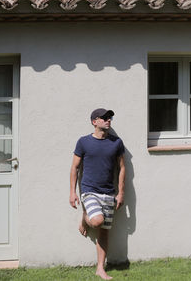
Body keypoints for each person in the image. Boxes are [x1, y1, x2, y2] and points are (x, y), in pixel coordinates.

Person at [69, 108, 126, 280]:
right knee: (97, 221)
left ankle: (100, 269)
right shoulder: (83, 142)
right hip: (89, 190)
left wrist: (121, 192)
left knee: (104, 232)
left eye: (110, 118)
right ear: (94, 121)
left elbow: (122, 168)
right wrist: (72, 192)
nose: (108, 120)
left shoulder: (116, 143)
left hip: (109, 193)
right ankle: (86, 215)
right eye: (104, 118)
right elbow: (74, 168)